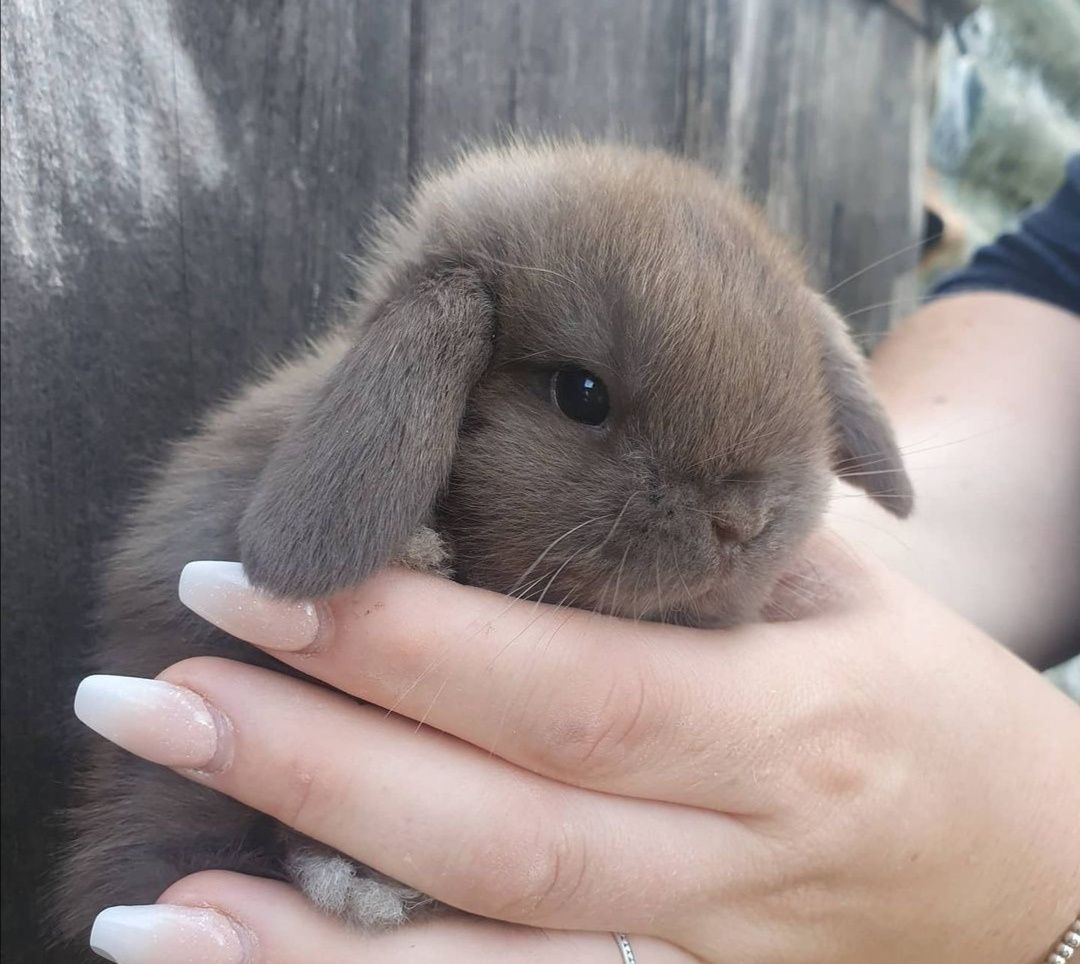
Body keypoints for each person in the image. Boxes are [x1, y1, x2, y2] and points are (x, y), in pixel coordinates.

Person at [72, 160, 1080, 963]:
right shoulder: (357, 438)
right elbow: (1042, 335)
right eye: (585, 399)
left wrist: (1043, 894)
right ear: (434, 370)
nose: (731, 523)